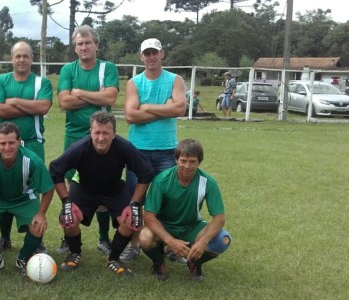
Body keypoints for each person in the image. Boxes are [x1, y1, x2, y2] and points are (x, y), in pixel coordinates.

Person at [48, 111, 154, 276]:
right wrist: (66, 202)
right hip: (84, 188)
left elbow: (146, 173)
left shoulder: (124, 147)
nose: (101, 137)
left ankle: (113, 258)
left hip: (114, 188)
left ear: (114, 134)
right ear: (90, 132)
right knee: (68, 218)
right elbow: (55, 170)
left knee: (131, 219)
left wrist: (134, 204)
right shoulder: (80, 147)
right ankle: (75, 253)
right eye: (97, 132)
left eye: (106, 132)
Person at [121, 37, 188, 263]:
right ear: (141, 57)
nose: (151, 57)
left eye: (154, 52)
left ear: (162, 54)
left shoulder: (175, 80)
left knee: (167, 201)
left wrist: (146, 107)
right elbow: (130, 116)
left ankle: (169, 246)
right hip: (138, 150)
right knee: (135, 200)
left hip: (168, 150)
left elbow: (180, 108)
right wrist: (164, 108)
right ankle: (134, 245)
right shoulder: (134, 82)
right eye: (146, 53)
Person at [56, 25, 120, 255]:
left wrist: (79, 92)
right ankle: (70, 239)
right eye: (79, 44)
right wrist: (96, 95)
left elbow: (111, 96)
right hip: (74, 137)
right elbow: (64, 102)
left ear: (97, 45)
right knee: (74, 190)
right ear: (75, 48)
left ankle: (104, 238)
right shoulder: (67, 70)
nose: (84, 47)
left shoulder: (108, 68)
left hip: (102, 137)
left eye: (88, 42)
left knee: (104, 186)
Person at [0, 122, 55, 276]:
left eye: (11, 143)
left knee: (38, 226)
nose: (7, 147)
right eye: (3, 143)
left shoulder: (32, 159)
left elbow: (48, 189)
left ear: (19, 141)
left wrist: (41, 214)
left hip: (24, 197)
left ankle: (23, 258)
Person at [0, 41, 53, 253]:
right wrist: (29, 107)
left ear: (32, 58)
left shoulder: (41, 82)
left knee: (32, 190)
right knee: (6, 187)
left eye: (26, 56)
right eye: (18, 56)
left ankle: (35, 240)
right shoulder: (0, 81)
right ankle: (5, 237)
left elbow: (43, 107)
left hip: (33, 143)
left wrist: (14, 101)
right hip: (6, 145)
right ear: (11, 58)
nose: (22, 60)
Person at [138, 139, 232, 282]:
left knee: (223, 240)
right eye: (183, 161)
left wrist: (203, 241)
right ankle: (158, 263)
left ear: (199, 162)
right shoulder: (161, 180)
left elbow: (219, 218)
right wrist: (170, 241)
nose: (187, 166)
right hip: (165, 226)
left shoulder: (208, 182)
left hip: (191, 226)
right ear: (176, 160)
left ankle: (194, 262)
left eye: (192, 161)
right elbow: (149, 216)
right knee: (145, 237)